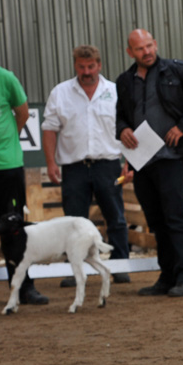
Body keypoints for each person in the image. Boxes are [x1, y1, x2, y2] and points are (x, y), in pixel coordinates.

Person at [115, 29, 183, 297]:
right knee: (156, 221)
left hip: (172, 156)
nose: (146, 52)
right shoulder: (124, 81)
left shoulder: (178, 70)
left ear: (155, 44)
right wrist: (122, 128)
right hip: (142, 160)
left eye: (149, 46)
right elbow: (121, 116)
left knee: (175, 218)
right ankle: (167, 276)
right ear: (130, 52)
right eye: (139, 49)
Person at [42, 45, 130, 286]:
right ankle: (75, 269)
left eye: (91, 66)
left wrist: (128, 162)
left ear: (99, 65)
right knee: (73, 221)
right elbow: (49, 128)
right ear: (75, 66)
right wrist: (51, 162)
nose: (86, 71)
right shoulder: (61, 92)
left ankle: (120, 265)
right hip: (74, 167)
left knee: (116, 217)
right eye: (81, 66)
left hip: (109, 164)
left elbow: (127, 128)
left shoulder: (115, 91)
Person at [0, 40, 48, 306]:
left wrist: (6, 140)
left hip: (7, 165)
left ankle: (24, 286)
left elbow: (22, 113)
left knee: (13, 226)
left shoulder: (4, 78)